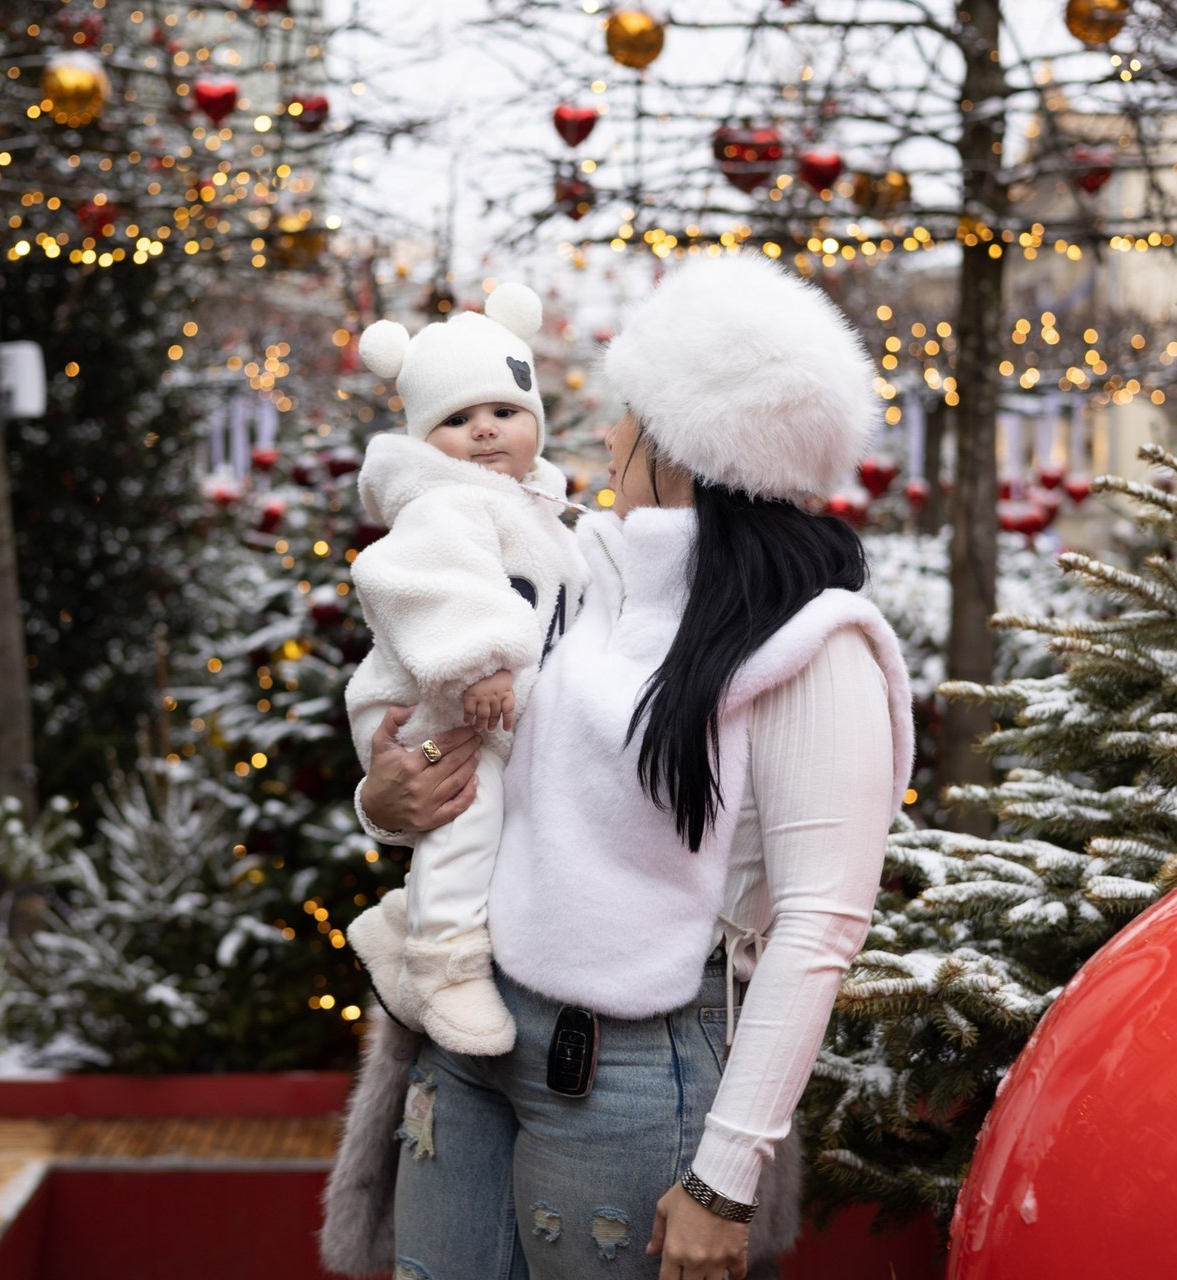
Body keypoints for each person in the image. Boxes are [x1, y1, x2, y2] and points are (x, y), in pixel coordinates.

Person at [343, 254, 914, 1280]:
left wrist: (722, 1178)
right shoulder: (575, 569)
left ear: (682, 441)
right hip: (468, 1035)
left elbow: (821, 926)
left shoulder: (811, 643)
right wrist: (384, 798)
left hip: (634, 1071)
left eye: (626, 413)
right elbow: (478, 754)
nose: (603, 437)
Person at [343, 282, 589, 1057]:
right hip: (436, 704)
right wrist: (483, 660)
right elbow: (433, 581)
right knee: (467, 805)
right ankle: (443, 961)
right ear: (426, 437)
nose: (484, 431)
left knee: (499, 812)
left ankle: (404, 921)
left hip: (490, 704)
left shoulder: (543, 510)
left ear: (535, 424)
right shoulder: (442, 504)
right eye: (456, 420)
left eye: (504, 413)